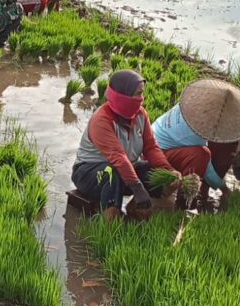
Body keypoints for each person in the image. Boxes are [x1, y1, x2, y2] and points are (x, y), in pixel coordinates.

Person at [71, 69, 179, 220]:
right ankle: (110, 222)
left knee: (152, 171)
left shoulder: (140, 115)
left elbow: (151, 147)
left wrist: (168, 170)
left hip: (124, 169)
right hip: (89, 173)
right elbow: (118, 157)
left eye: (142, 93)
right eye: (138, 94)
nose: (141, 98)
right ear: (123, 96)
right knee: (111, 171)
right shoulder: (102, 120)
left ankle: (136, 209)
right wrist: (137, 188)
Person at [153, 78, 240, 210]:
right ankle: (185, 199)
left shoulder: (192, 106)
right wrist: (223, 188)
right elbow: (207, 168)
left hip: (158, 140)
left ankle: (195, 193)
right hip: (157, 156)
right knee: (201, 155)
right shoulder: (194, 133)